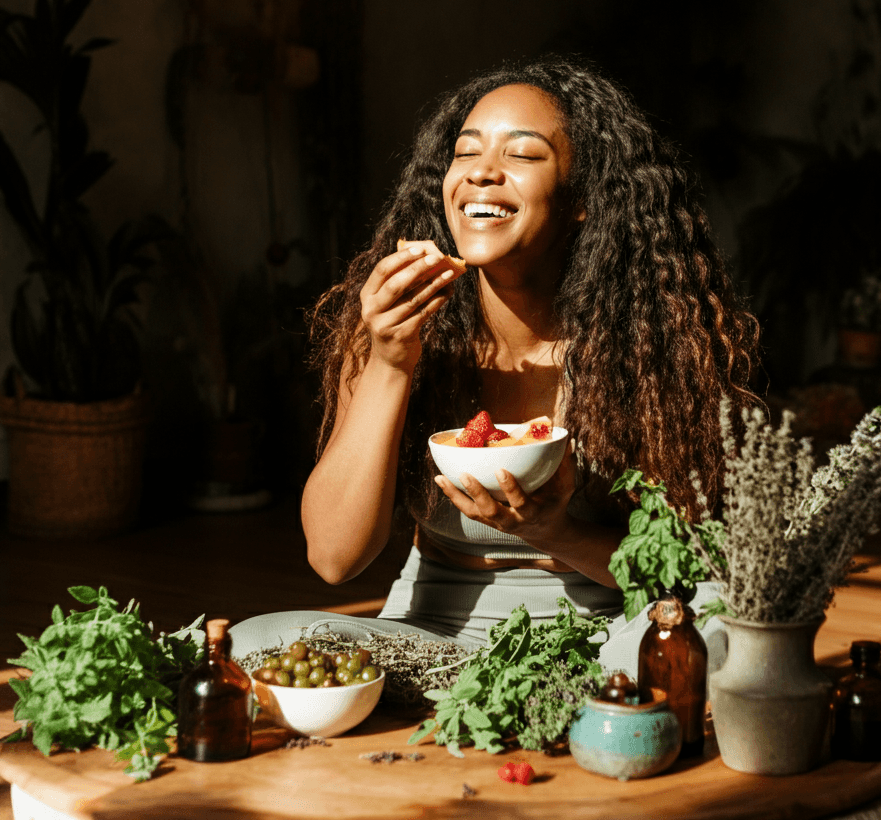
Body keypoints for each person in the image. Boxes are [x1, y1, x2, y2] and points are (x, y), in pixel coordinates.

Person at [301, 56, 759, 659]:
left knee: (724, 635)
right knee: (272, 637)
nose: (482, 174)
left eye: (521, 155)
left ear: (584, 200)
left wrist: (558, 532)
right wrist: (389, 361)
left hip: (603, 638)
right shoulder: (401, 327)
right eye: (465, 153)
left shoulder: (648, 356)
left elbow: (681, 573)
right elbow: (334, 558)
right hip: (430, 635)